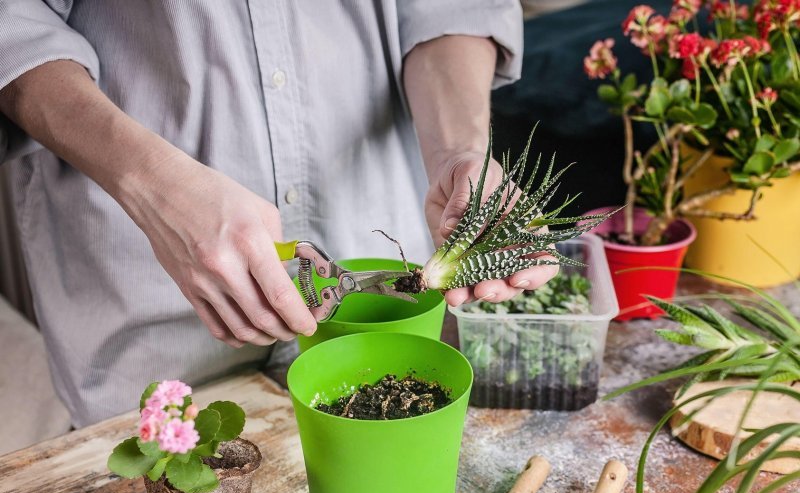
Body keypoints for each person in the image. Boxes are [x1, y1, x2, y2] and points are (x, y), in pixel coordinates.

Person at [0, 1, 556, 427]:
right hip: (152, 304)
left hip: (380, 298)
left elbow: (448, 10)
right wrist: (152, 186)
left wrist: (460, 151)